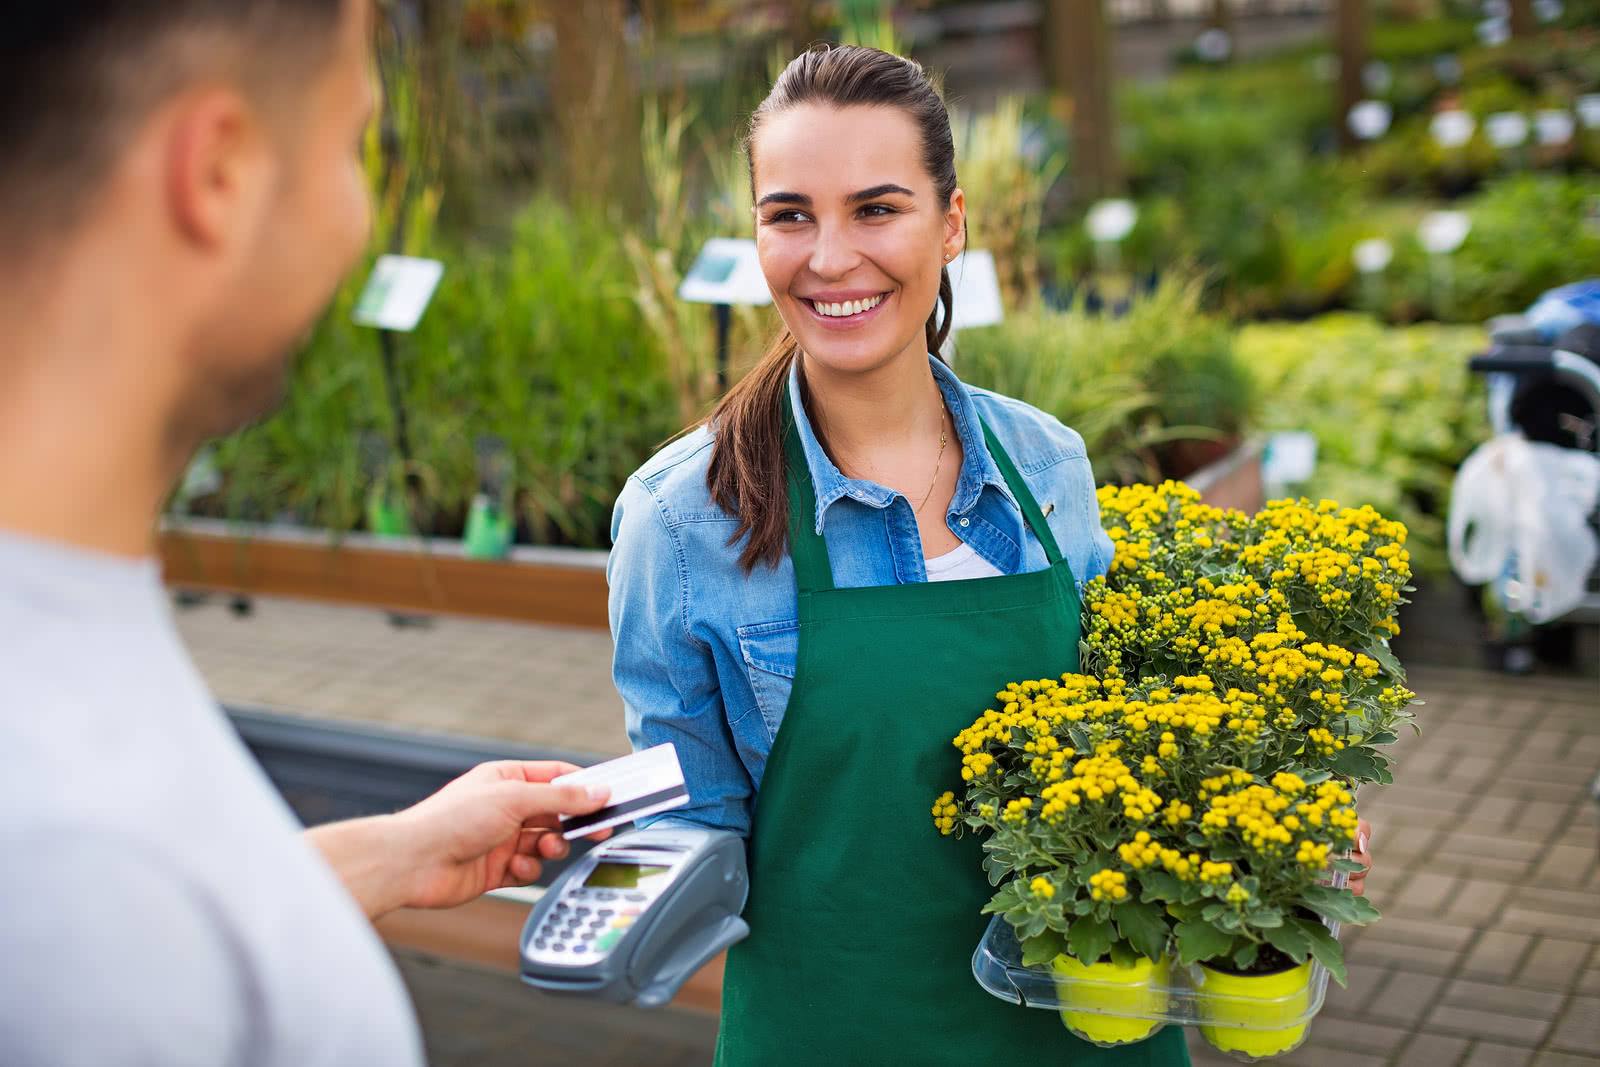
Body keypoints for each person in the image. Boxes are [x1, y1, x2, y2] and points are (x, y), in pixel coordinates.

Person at [609, 45, 1372, 1065]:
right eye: (790, 214)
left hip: (1094, 1024)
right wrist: (598, 841)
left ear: (952, 223)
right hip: (837, 1031)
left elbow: (1130, 734)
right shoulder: (681, 518)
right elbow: (687, 824)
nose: (829, 256)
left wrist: (1276, 826)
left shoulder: (1046, 462)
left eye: (876, 208)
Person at [0, 3, 611, 1063]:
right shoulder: (79, 865)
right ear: (220, 173)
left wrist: (389, 850)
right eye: (349, 143)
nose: (357, 214)